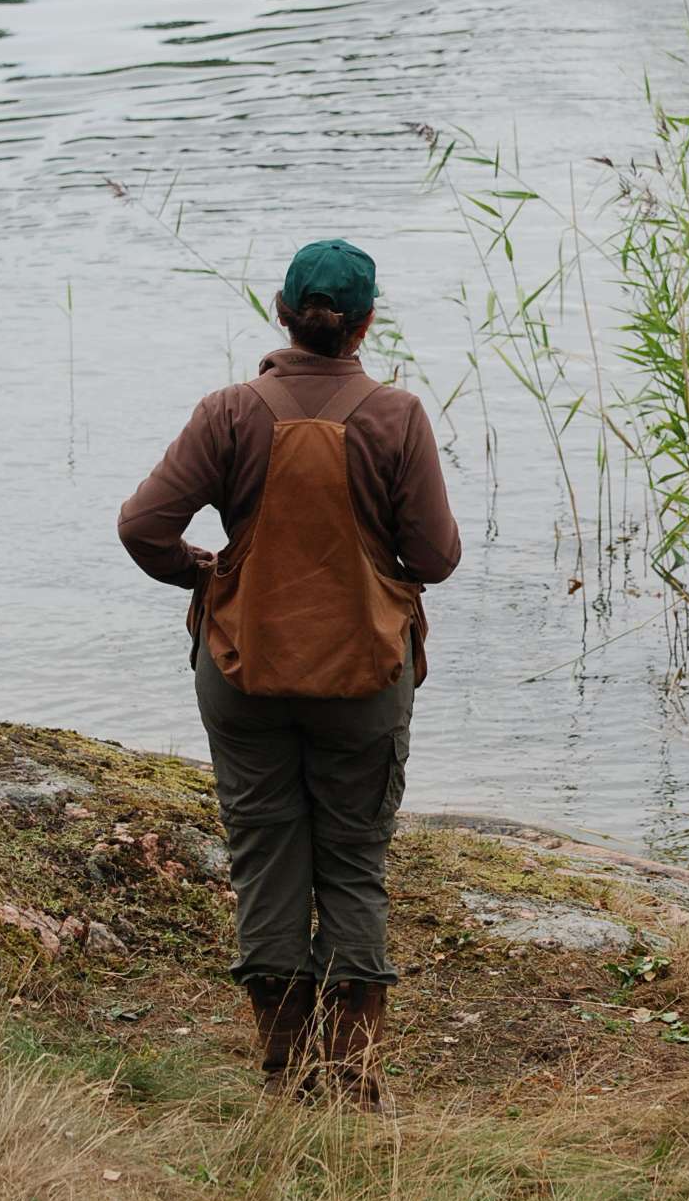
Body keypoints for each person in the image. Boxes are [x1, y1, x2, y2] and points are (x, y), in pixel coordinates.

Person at [117, 238, 460, 1109]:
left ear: (280, 311)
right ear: (367, 323)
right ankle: (349, 1078)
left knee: (265, 851)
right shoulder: (399, 417)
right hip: (365, 675)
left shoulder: (231, 411)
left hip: (242, 671)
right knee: (352, 860)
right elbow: (436, 556)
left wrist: (207, 572)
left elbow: (142, 525)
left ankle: (282, 1071)